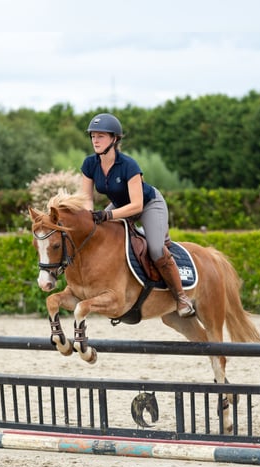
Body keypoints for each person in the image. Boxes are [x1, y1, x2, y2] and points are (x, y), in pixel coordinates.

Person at [80, 112, 195, 318]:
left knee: (155, 249)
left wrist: (107, 216)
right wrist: (90, 215)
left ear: (114, 139)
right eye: (93, 136)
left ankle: (181, 297)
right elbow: (86, 198)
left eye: (100, 136)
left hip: (148, 204)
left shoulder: (129, 165)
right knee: (95, 235)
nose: (95, 140)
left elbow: (136, 205)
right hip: (119, 206)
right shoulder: (89, 164)